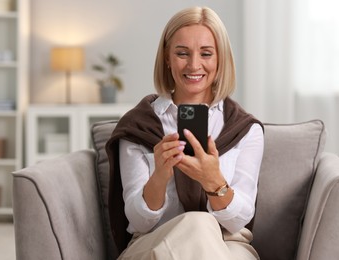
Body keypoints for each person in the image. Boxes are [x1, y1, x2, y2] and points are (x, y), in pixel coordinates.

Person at [106, 6, 264, 260]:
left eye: (206, 53)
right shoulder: (139, 126)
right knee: (197, 224)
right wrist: (160, 175)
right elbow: (138, 221)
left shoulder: (245, 129)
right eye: (182, 53)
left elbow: (240, 220)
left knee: (204, 227)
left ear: (219, 59)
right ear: (167, 58)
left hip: (227, 243)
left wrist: (214, 181)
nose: (194, 64)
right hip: (154, 241)